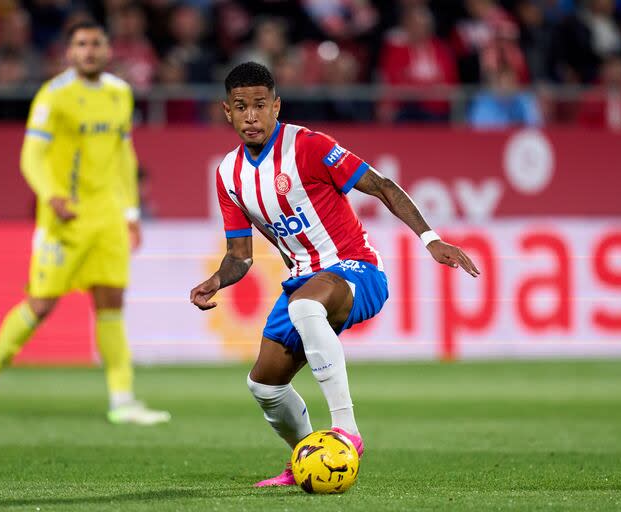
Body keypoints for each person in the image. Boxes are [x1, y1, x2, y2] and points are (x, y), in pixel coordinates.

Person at [189, 62, 479, 487]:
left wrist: (430, 238)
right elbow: (240, 256)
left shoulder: (309, 145)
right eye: (241, 107)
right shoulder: (229, 175)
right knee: (264, 386)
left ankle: (347, 430)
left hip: (357, 269)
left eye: (260, 105)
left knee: (307, 305)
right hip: (302, 282)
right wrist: (217, 279)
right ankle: (310, 457)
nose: (251, 115)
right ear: (227, 112)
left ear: (276, 106)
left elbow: (381, 186)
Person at [0, 21, 171, 427]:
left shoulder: (119, 93)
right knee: (40, 305)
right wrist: (51, 194)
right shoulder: (53, 96)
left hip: (107, 216)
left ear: (108, 49)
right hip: (64, 216)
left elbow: (124, 156)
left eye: (96, 43)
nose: (89, 50)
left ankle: (122, 399)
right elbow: (31, 156)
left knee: (111, 304)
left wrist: (130, 212)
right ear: (69, 52)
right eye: (81, 44)